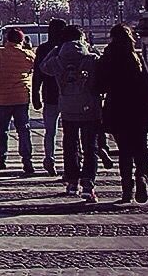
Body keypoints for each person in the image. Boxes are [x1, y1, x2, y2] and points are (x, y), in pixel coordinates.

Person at [95, 24, 148, 204]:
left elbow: (98, 86)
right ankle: (142, 177)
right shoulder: (135, 57)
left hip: (117, 108)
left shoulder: (107, 58)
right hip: (138, 108)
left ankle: (126, 189)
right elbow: (147, 85)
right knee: (140, 149)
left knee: (124, 152)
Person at [40, 25, 102, 202]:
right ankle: (88, 183)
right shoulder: (90, 57)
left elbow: (44, 67)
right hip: (89, 107)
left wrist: (55, 50)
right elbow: (102, 68)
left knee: (70, 145)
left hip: (67, 107)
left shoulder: (58, 58)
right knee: (90, 147)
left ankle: (72, 181)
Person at [0, 26, 36, 174]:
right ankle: (27, 160)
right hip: (22, 97)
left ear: (7, 39)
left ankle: (1, 157)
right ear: (22, 40)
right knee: (24, 129)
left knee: (3, 130)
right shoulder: (28, 55)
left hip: (4, 98)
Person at [31, 18, 68, 176]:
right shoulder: (67, 49)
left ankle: (49, 159)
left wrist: (35, 95)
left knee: (50, 131)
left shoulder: (43, 49)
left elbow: (37, 74)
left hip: (49, 94)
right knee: (70, 132)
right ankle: (72, 161)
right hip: (68, 95)